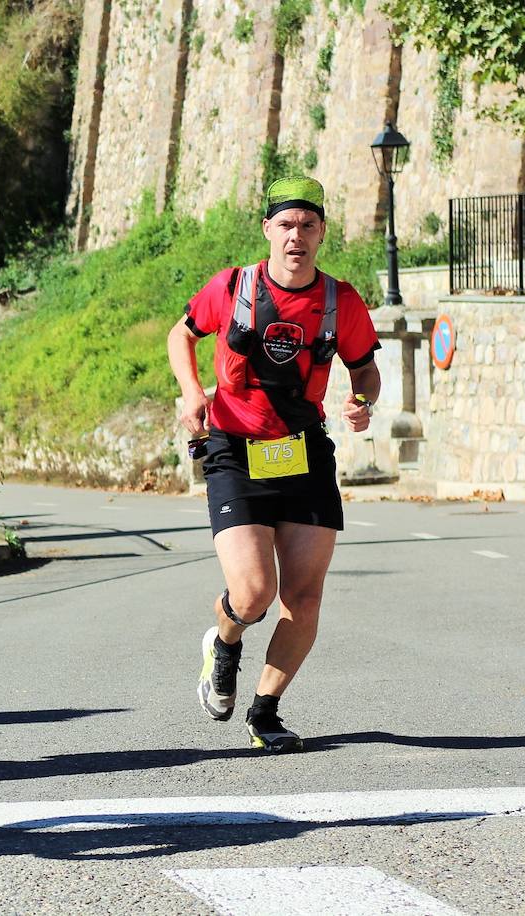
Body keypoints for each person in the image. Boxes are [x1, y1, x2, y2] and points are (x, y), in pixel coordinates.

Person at [167, 176, 381, 753]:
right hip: (234, 447)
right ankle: (226, 641)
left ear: (322, 235)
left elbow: (365, 370)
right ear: (268, 230)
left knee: (304, 597)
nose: (296, 237)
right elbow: (178, 336)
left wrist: (362, 401)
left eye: (308, 226)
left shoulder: (342, 302)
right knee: (255, 590)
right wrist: (192, 393)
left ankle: (265, 713)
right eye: (286, 225)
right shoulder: (233, 287)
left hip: (303, 450)